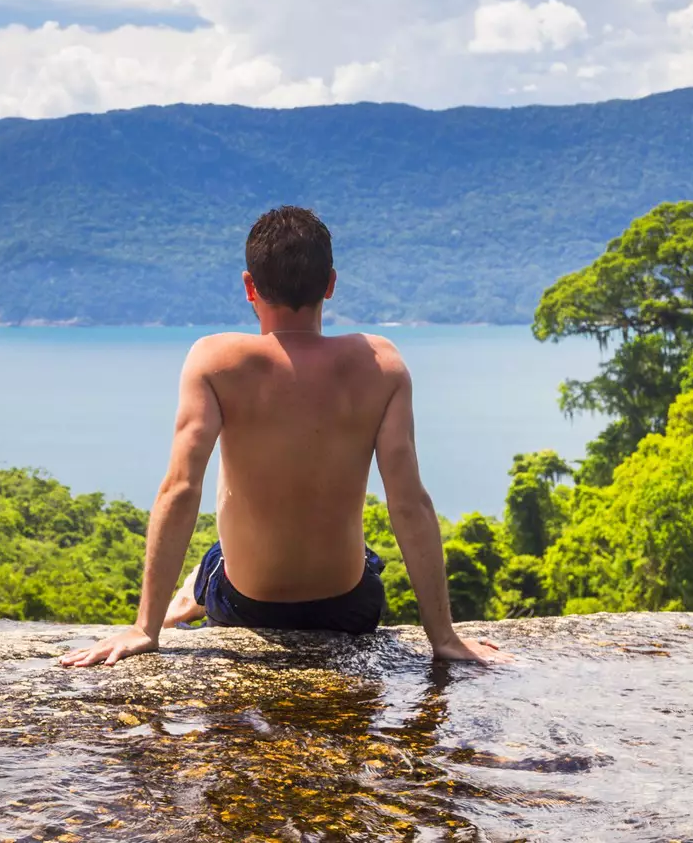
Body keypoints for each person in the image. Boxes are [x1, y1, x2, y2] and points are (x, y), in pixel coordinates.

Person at [60, 205, 502, 667]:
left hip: (246, 603)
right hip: (349, 608)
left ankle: (195, 588)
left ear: (249, 286)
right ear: (330, 284)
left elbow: (180, 488)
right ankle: (202, 581)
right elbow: (409, 503)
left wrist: (143, 630)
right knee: (365, 558)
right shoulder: (382, 364)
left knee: (217, 555)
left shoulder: (214, 361)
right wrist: (444, 639)